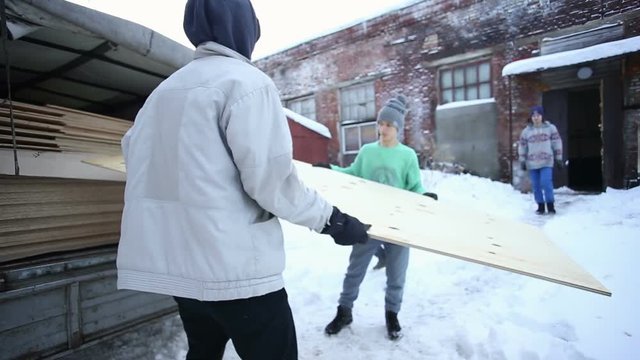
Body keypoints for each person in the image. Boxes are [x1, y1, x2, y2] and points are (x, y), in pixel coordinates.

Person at [116, 1, 369, 359]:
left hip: (182, 272)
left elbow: (138, 164)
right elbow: (272, 182)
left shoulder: (160, 95)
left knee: (203, 352)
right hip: (236, 273)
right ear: (243, 27)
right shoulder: (246, 83)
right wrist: (333, 221)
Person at [314, 95, 435, 340]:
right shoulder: (368, 151)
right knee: (354, 271)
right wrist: (331, 170)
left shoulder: (407, 155)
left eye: (389, 124)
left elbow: (414, 187)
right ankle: (344, 311)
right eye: (381, 123)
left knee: (396, 274)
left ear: (397, 127)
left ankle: (392, 315)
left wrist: (426, 196)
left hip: (399, 225)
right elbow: (352, 173)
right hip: (367, 222)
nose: (383, 128)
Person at [518, 105, 564, 215]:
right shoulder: (526, 131)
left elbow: (557, 142)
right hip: (532, 163)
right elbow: (522, 146)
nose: (536, 117)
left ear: (542, 116)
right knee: (536, 185)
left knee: (546, 183)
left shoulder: (550, 128)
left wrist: (558, 158)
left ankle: (550, 205)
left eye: (538, 115)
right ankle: (540, 206)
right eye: (533, 115)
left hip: (546, 161)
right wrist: (522, 160)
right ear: (531, 117)